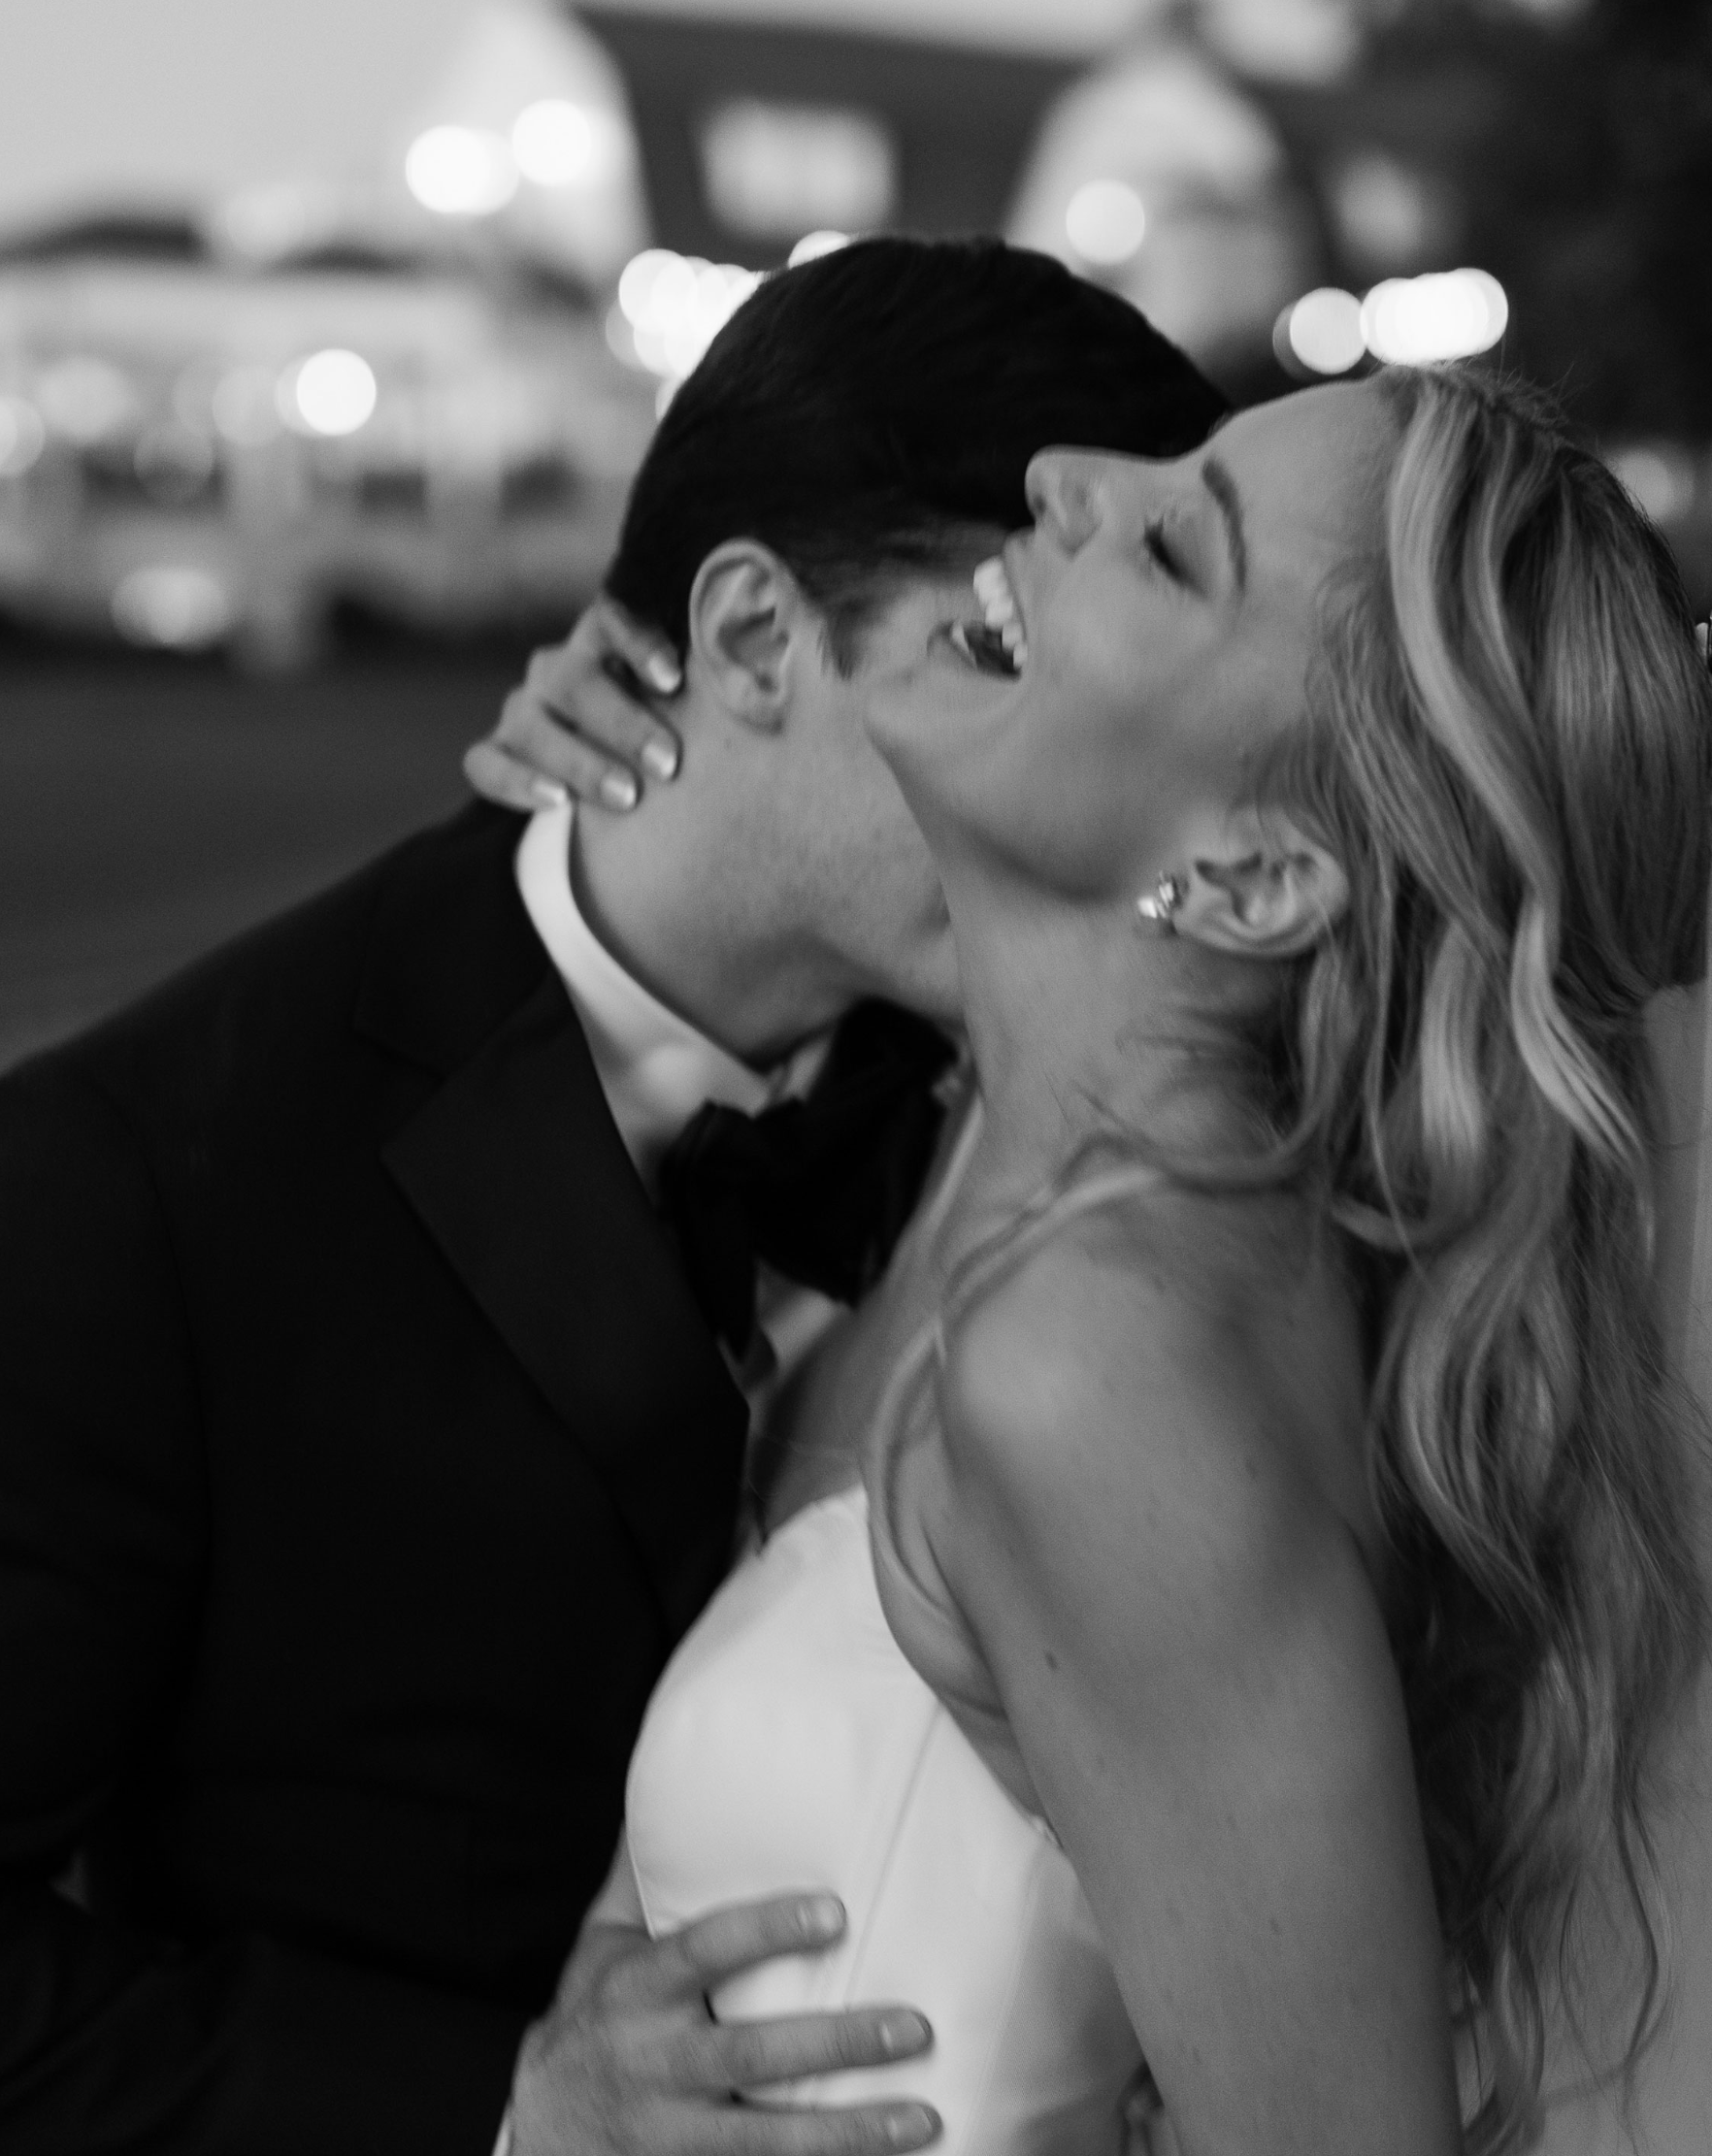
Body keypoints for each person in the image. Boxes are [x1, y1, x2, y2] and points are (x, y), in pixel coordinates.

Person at [0, 239, 1228, 2156]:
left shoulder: (1055, 1059)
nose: (1081, 771)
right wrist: (494, 2111)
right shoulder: (130, 1177)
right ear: (748, 643)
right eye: (995, 657)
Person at [473, 365, 1712, 2153]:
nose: (1055, 473)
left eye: (1175, 547)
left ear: (1251, 881)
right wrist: (661, 732)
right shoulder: (1086, 1178)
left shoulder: (1102, 1356)